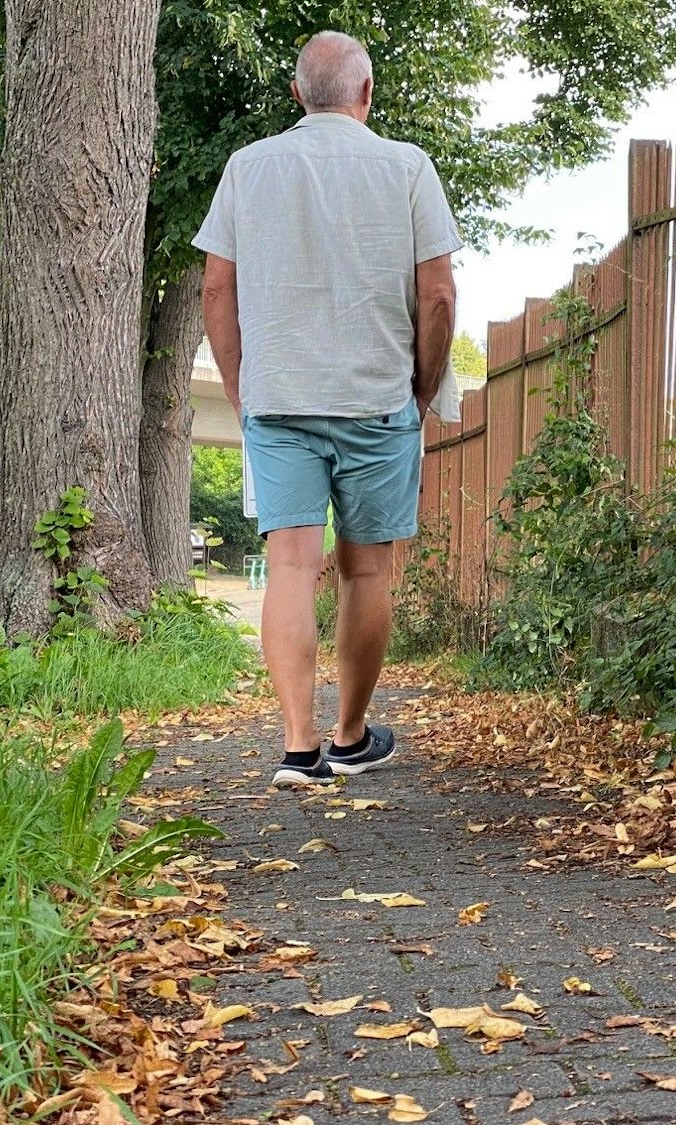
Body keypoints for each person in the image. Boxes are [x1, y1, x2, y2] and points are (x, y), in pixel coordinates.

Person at [194, 30, 461, 786]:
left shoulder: (248, 168)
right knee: (365, 573)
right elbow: (437, 293)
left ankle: (296, 744)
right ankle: (349, 736)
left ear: (297, 95)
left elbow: (217, 288)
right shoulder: (408, 167)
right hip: (378, 399)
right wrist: (421, 382)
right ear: (367, 93)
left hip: (279, 400)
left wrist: (244, 385)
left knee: (289, 564)